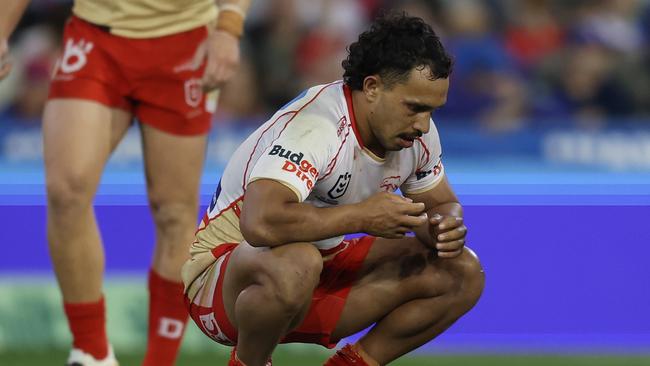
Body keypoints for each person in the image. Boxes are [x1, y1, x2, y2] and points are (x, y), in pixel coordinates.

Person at [182, 12, 485, 366]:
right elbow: (260, 223)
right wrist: (361, 216)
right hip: (226, 288)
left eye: (432, 111)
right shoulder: (317, 125)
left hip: (317, 275)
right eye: (414, 108)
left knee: (463, 272)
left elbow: (444, 204)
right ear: (372, 88)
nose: (423, 124)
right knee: (297, 261)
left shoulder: (416, 134)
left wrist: (445, 226)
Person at [0, 0, 251, 365]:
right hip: (97, 37)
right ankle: (91, 352)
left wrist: (229, 28)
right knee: (66, 191)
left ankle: (159, 361)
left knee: (173, 212)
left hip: (185, 41)